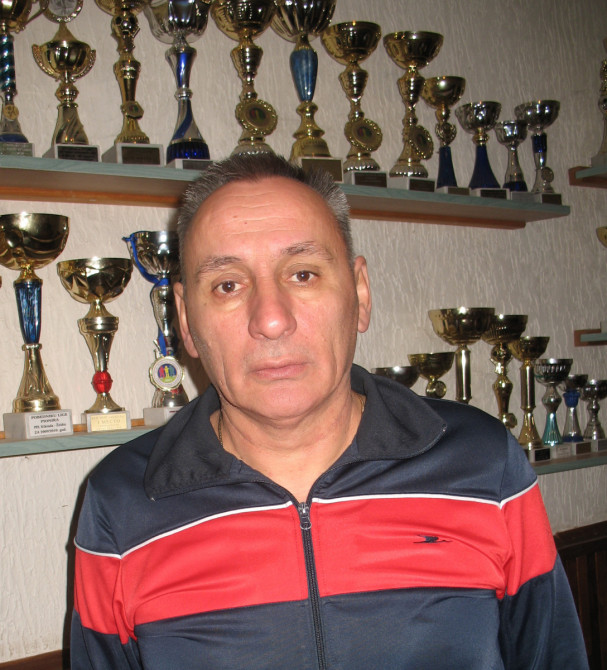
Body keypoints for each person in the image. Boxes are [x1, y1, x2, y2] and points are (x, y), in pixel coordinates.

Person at [71, 153, 589, 669]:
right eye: (228, 285)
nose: (271, 320)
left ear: (360, 293)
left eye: (303, 274)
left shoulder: (484, 464)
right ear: (185, 320)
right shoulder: (120, 503)